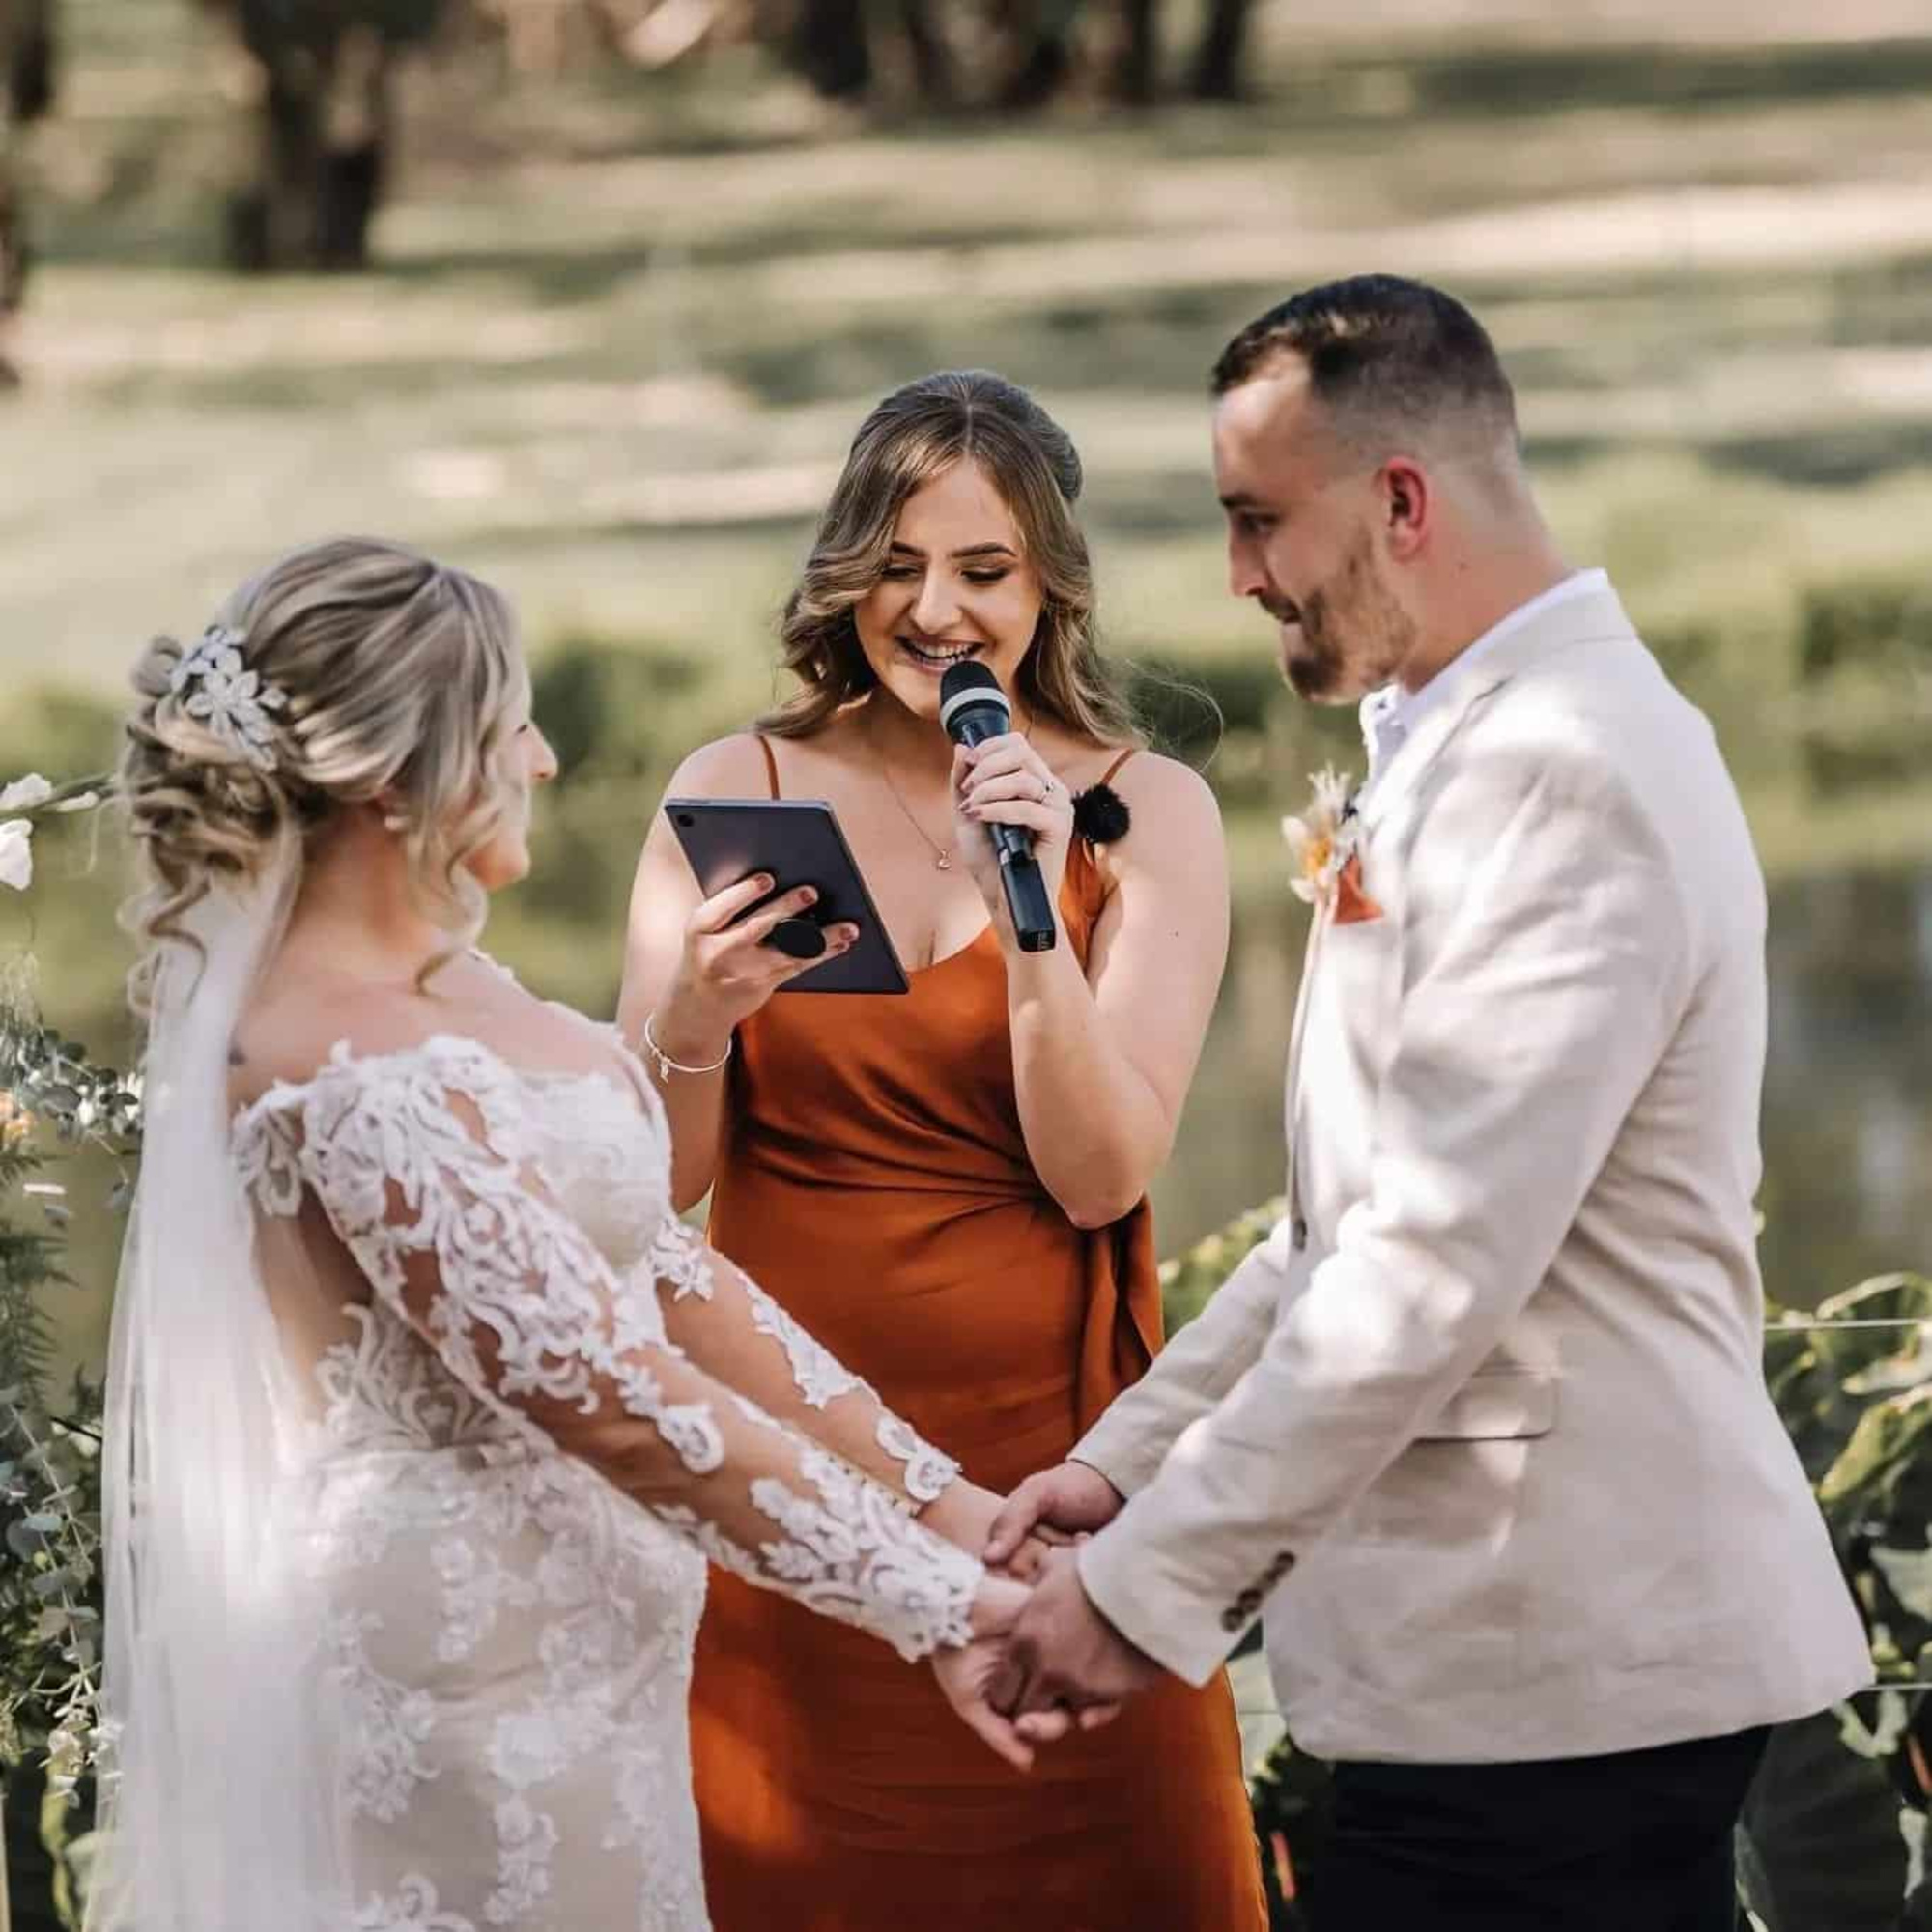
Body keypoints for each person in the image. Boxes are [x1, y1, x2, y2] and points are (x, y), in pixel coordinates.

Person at [986, 276, 1874, 1930]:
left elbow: (1437, 1259)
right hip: (1502, 1676)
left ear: (1401, 501)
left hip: (1562, 1661)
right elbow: (1354, 1220)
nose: (1239, 575)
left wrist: (1142, 1593)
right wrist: (1128, 1471)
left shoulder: (1568, 769)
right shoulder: (1475, 740)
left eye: (1260, 522)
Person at [87, 536, 1055, 1932]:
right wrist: (939, 1608)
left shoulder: (465, 995)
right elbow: (604, 1395)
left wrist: (961, 1513)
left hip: (599, 1677)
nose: (541, 759)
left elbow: (667, 1281)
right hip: (455, 1689)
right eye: (507, 726)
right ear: (388, 775)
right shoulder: (323, 1064)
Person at [619, 371, 1265, 1929]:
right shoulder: (737, 790)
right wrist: (694, 1013)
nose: (936, 611)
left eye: (982, 571)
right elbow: (646, 1193)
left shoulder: (1146, 811)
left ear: (1047, 582)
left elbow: (1103, 1175)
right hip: (797, 1501)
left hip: (1062, 1498)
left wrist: (1031, 911)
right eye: (900, 567)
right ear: (847, 575)